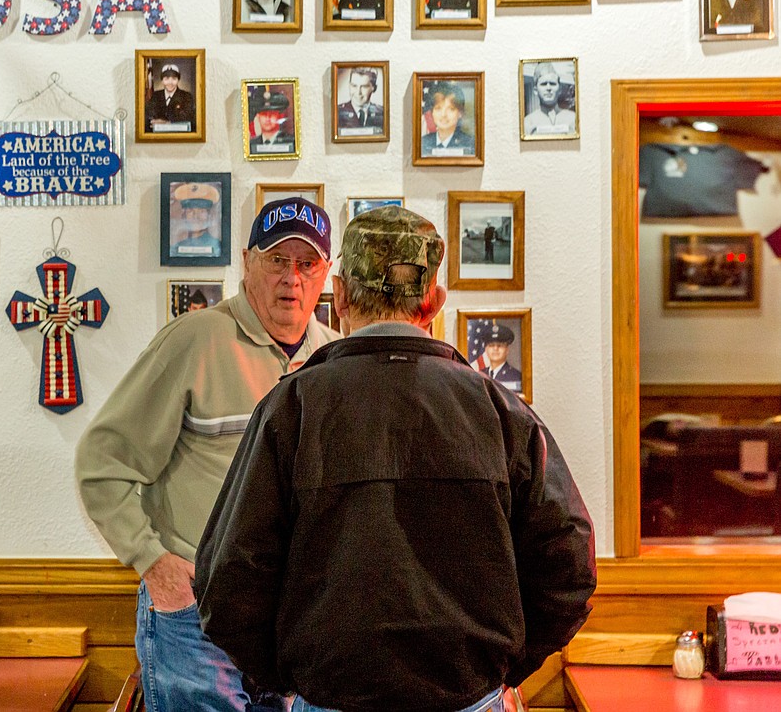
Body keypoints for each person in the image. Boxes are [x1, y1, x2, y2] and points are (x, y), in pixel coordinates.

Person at [196, 205, 596, 712]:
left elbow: (227, 578)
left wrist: (292, 679)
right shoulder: (500, 412)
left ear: (337, 296)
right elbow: (570, 564)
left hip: (330, 699)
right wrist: (499, 669)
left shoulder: (291, 408)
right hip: (469, 698)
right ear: (434, 301)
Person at [76, 199, 340, 712]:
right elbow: (100, 465)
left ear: (326, 273)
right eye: (276, 261)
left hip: (291, 625)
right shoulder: (193, 341)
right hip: (195, 617)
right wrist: (154, 564)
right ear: (246, 262)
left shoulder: (334, 358)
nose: (293, 279)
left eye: (307, 264)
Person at [420, 81, 474, 155]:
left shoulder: (470, 143)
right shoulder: (423, 142)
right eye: (438, 108)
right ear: (432, 112)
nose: (443, 114)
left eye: (451, 109)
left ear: (460, 113)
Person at [524, 62, 576, 136]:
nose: (548, 88)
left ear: (560, 89)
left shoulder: (573, 119)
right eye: (544, 84)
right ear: (535, 90)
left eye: (552, 84)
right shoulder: (528, 123)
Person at [172, 183, 221, 257]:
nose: (195, 216)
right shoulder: (175, 249)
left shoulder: (217, 248)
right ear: (183, 215)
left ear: (209, 216)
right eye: (190, 211)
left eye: (202, 211)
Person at [145, 63, 195, 132]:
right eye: (166, 79)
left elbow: (188, 117)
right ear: (162, 81)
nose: (170, 82)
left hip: (180, 137)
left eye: (174, 78)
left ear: (178, 80)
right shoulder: (156, 96)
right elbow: (149, 116)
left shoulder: (186, 96)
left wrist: (166, 122)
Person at [479, 322, 523, 393]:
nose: (495, 349)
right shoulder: (479, 375)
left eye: (500, 345)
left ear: (507, 350)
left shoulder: (516, 376)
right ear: (486, 350)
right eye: (491, 345)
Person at [335, 67, 383, 132]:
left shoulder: (382, 113)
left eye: (364, 86)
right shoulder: (337, 113)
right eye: (354, 86)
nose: (358, 92)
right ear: (349, 86)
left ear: (374, 88)